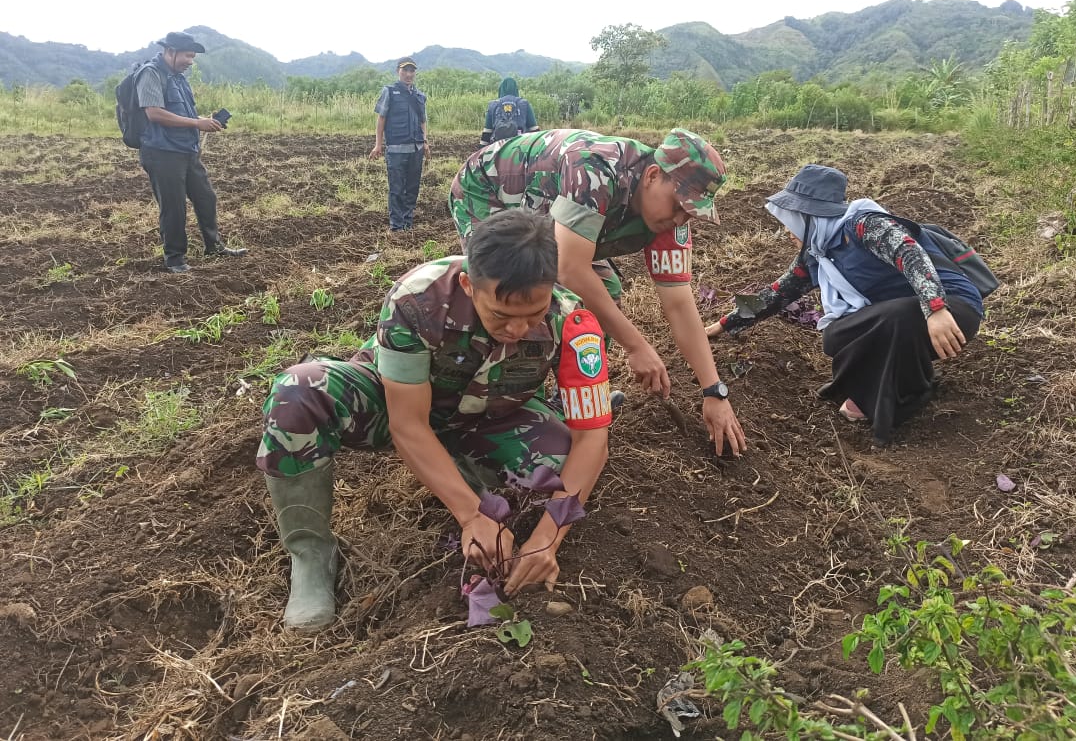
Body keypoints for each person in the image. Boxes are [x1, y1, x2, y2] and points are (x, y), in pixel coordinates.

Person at [258, 210, 615, 631]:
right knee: (300, 391)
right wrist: (471, 516)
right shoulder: (418, 299)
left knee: (559, 463)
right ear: (469, 284)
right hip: (395, 404)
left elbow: (593, 438)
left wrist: (547, 538)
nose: (518, 328)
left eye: (533, 314)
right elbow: (408, 424)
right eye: (501, 315)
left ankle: (467, 474)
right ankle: (311, 554)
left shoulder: (573, 321)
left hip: (490, 417)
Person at [450, 128, 747, 456]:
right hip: (492, 190)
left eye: (689, 213)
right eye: (678, 205)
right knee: (513, 297)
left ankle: (570, 400)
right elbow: (570, 269)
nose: (680, 219)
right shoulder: (595, 168)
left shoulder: (673, 220)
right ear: (652, 175)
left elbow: (679, 304)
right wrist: (636, 346)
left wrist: (713, 391)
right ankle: (490, 412)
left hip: (553, 215)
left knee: (604, 290)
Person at [705, 164, 985, 446]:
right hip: (908, 313)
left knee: (894, 318)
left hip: (950, 307)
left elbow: (909, 252)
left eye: (793, 219)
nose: (789, 230)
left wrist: (935, 308)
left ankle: (903, 397)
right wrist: (724, 324)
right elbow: (777, 294)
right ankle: (903, 380)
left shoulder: (863, 224)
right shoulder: (819, 251)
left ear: (811, 215)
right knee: (836, 335)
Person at [137, 31, 246, 273]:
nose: (190, 61)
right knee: (173, 206)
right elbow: (154, 113)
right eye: (187, 55)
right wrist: (197, 124)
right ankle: (174, 258)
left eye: (193, 57)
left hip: (186, 150)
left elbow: (183, 116)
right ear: (170, 52)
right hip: (161, 152)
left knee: (206, 197)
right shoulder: (151, 74)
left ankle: (214, 246)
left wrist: (205, 121)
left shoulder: (178, 78)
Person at [370, 57, 429, 232]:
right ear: (398, 71)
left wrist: (425, 141)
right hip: (396, 149)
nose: (409, 74)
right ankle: (396, 227)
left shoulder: (419, 96)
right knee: (396, 188)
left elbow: (423, 121)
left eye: (412, 71)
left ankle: (407, 223)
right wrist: (378, 144)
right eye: (405, 70)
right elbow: (381, 119)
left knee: (412, 188)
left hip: (416, 149)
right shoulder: (389, 91)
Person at [480, 77, 538, 145]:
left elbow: (487, 132)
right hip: (520, 145)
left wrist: (481, 151)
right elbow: (534, 129)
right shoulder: (524, 104)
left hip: (498, 146)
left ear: (501, 89)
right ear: (516, 89)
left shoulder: (493, 105)